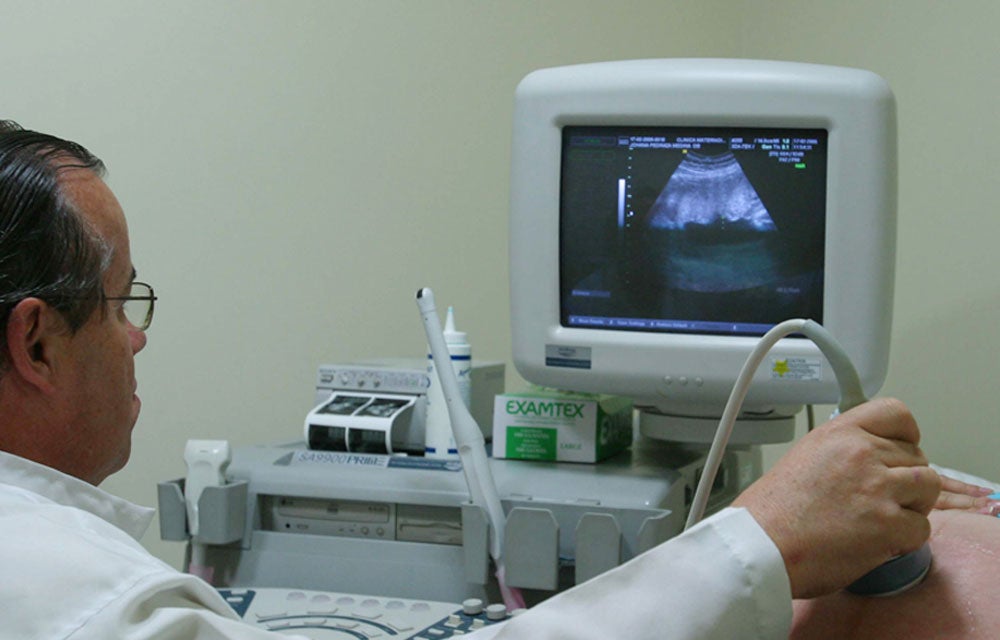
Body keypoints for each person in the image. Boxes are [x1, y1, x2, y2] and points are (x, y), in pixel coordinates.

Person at [0, 120, 980, 639]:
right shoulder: (87, 604)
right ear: (36, 344)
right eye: (122, 302)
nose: (137, 338)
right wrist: (760, 540)